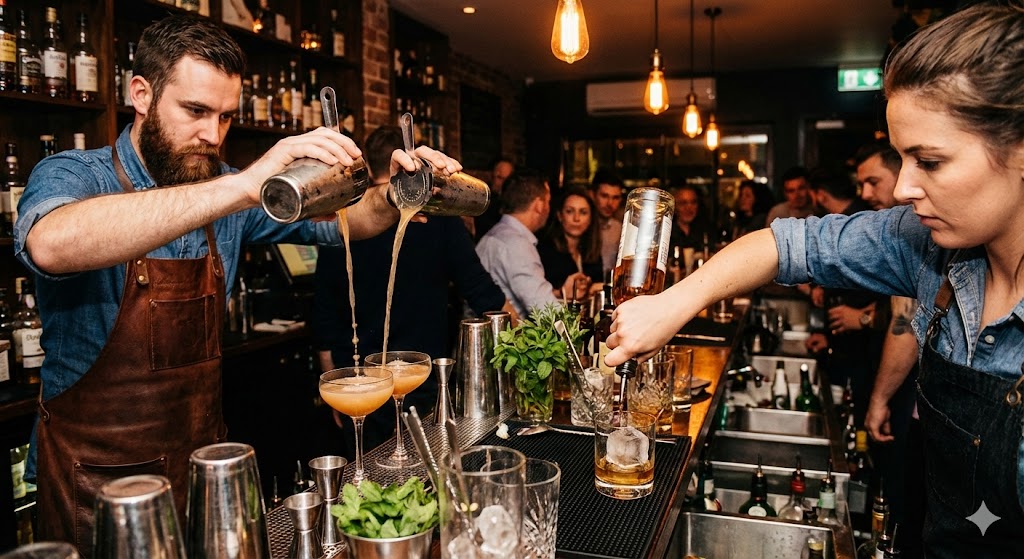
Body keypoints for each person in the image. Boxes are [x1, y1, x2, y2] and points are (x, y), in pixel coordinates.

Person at [13, 15, 460, 553]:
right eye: (195, 111)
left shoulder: (223, 190)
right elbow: (51, 244)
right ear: (141, 94)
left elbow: (354, 222)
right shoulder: (74, 174)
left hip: (203, 470)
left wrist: (400, 191)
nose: (212, 134)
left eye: (226, 117)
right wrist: (243, 185)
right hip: (94, 486)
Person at [607, 4, 1024, 555]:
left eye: (930, 161)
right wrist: (673, 304)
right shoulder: (925, 243)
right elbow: (782, 243)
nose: (903, 188)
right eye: (902, 159)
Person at [312, 126, 510, 454]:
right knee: (422, 473)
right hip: (421, 376)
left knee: (367, 478)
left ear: (367, 165)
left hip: (360, 382)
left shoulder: (341, 218)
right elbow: (482, 292)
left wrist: (332, 386)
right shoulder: (436, 217)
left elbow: (324, 316)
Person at [477, 172, 590, 317]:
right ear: (539, 205)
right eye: (548, 201)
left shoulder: (497, 234)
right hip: (505, 336)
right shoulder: (516, 244)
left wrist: (560, 292)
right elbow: (546, 311)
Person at [538, 186, 603, 294]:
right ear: (560, 216)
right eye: (569, 211)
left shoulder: (592, 251)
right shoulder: (545, 250)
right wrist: (562, 292)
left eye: (583, 212)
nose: (576, 218)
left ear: (591, 218)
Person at [590, 168, 625, 275]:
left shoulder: (620, 229)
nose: (610, 203)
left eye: (616, 197)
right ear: (592, 195)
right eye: (604, 196)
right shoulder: (580, 227)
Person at [473, 156, 515, 240]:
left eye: (505, 179)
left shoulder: (514, 202)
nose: (501, 183)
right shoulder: (483, 199)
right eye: (498, 177)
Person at [669, 184, 718, 254]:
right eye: (683, 203)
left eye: (693, 202)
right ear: (674, 206)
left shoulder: (706, 230)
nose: (689, 208)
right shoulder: (667, 233)